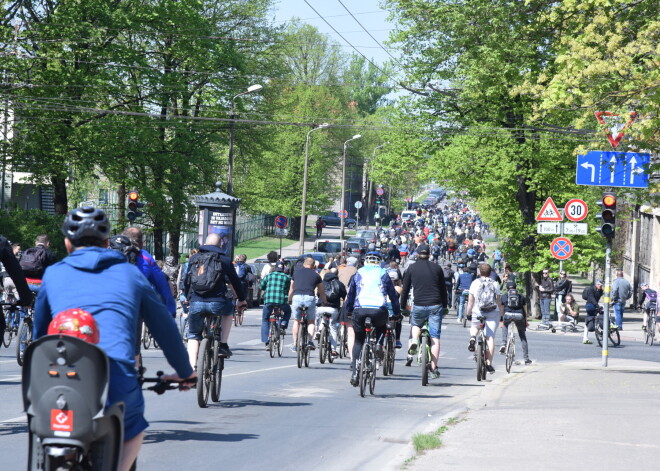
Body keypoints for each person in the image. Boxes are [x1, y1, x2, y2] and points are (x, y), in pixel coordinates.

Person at [33, 207, 195, 471]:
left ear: (66, 243)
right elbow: (164, 329)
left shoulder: (54, 274)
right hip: (115, 374)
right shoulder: (130, 274)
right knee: (135, 428)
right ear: (108, 243)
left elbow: (40, 333)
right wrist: (185, 372)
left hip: (59, 377)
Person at [182, 233, 247, 363]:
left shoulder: (194, 258)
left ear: (204, 244)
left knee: (194, 335)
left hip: (196, 302)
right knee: (229, 311)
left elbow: (187, 280)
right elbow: (235, 281)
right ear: (220, 245)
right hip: (218, 303)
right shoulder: (225, 260)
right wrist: (241, 299)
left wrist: (188, 297)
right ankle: (222, 344)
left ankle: (192, 368)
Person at [344, 252, 401, 386]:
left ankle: (355, 373)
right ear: (379, 262)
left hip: (360, 309)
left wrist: (349, 310)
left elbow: (351, 294)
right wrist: (397, 313)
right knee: (382, 326)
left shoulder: (359, 273)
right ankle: (379, 345)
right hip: (379, 310)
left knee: (358, 341)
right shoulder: (383, 273)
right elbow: (393, 296)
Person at [400, 245, 448, 379]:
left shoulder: (411, 268)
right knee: (435, 337)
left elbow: (405, 290)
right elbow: (443, 290)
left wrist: (402, 306)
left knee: (415, 324)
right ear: (429, 254)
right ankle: (433, 368)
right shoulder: (437, 268)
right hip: (435, 304)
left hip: (419, 304)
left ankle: (415, 340)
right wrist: (444, 306)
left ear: (417, 254)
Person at [122, 227, 177, 318]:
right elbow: (162, 284)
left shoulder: (110, 252)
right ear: (142, 244)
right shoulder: (145, 257)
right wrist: (171, 309)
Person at [466, 264, 504, 374]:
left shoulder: (475, 283)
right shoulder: (495, 283)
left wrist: (468, 313)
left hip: (478, 311)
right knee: (490, 338)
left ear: (479, 272)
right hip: (492, 312)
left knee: (474, 326)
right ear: (490, 272)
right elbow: (499, 301)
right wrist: (501, 314)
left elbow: (471, 301)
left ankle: (473, 337)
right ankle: (489, 364)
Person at [288, 256, 327, 352]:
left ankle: (294, 343)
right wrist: (325, 301)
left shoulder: (296, 273)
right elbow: (321, 291)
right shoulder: (316, 275)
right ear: (313, 266)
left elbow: (291, 288)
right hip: (309, 297)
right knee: (311, 321)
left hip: (297, 297)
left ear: (304, 264)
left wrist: (289, 299)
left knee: (296, 321)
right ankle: (310, 341)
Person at [259, 260, 292, 349]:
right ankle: (283, 323)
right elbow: (289, 288)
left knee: (265, 319)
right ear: (283, 268)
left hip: (269, 300)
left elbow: (261, 286)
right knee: (288, 311)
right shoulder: (287, 277)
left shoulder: (269, 276)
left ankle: (266, 341)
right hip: (281, 300)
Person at [499, 281, 531, 365]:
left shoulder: (504, 296)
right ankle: (526, 359)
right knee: (522, 336)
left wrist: (501, 320)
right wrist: (526, 321)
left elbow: (502, 309)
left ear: (506, 289)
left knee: (505, 326)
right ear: (516, 288)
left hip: (508, 315)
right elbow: (524, 310)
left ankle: (503, 343)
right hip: (519, 316)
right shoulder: (521, 296)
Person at [318, 268, 347, 357]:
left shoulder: (321, 283)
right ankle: (333, 350)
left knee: (322, 318)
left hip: (321, 307)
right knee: (333, 327)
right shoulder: (339, 284)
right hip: (333, 308)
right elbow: (345, 296)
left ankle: (320, 330)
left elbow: (318, 294)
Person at [581, 280, 603, 344]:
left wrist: (598, 306)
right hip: (590, 305)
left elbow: (597, 299)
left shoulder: (601, 291)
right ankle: (585, 337)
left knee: (595, 319)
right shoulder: (591, 289)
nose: (600, 286)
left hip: (595, 305)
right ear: (596, 284)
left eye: (601, 285)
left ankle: (597, 332)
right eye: (599, 285)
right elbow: (591, 298)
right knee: (589, 320)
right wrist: (597, 306)